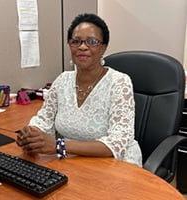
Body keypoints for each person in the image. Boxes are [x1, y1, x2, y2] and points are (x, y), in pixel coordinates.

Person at [16, 13, 142, 167]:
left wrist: (59, 146)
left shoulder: (119, 83)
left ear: (104, 47)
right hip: (72, 161)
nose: (83, 47)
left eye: (92, 41)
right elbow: (43, 120)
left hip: (115, 164)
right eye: (76, 41)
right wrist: (31, 134)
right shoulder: (62, 80)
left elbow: (116, 143)